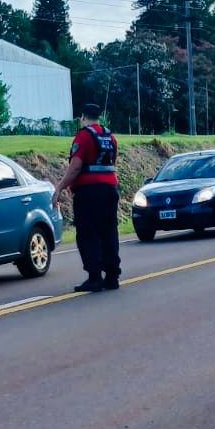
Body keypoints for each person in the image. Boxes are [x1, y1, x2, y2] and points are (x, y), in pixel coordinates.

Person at [52, 101, 121, 292]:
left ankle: (95, 277)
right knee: (109, 232)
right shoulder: (110, 137)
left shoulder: (83, 137)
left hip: (89, 191)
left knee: (88, 233)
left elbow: (75, 167)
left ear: (82, 117)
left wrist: (59, 188)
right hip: (110, 189)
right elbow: (113, 162)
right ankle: (112, 276)